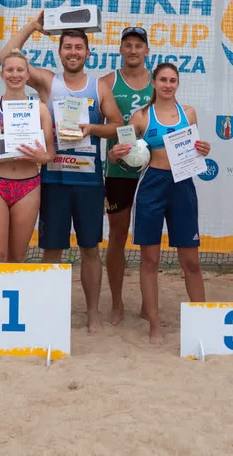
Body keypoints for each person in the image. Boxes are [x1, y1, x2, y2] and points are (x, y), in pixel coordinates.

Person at [0, 12, 122, 334]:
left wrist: (92, 128)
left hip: (89, 180)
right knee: (51, 248)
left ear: (87, 52)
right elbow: (6, 57)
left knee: (90, 248)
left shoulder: (100, 87)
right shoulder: (47, 81)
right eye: (68, 46)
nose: (73, 52)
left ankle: (93, 313)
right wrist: (32, 27)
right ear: (60, 51)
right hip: (52, 177)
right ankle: (46, 310)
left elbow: (119, 127)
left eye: (79, 47)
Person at [110, 62, 211, 345]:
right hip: (153, 185)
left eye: (173, 80)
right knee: (150, 260)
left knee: (191, 261)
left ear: (178, 83)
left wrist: (204, 148)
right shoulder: (142, 116)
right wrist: (117, 154)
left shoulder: (188, 113)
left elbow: (197, 148)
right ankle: (154, 323)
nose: (168, 85)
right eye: (163, 80)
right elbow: (123, 153)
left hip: (183, 186)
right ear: (154, 82)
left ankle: (202, 321)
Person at [0, 50, 54, 263]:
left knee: (18, 256)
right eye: (9, 70)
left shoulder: (40, 110)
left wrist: (40, 156)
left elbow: (50, 154)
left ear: (27, 76)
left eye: (19, 70)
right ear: (1, 74)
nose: (14, 74)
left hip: (28, 186)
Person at [100, 26, 154, 325]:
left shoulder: (159, 84)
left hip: (152, 171)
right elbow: (100, 124)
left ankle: (148, 304)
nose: (133, 50)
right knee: (118, 236)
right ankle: (117, 302)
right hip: (118, 169)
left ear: (147, 51)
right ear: (120, 49)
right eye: (128, 45)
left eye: (138, 46)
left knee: (148, 239)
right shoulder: (107, 82)